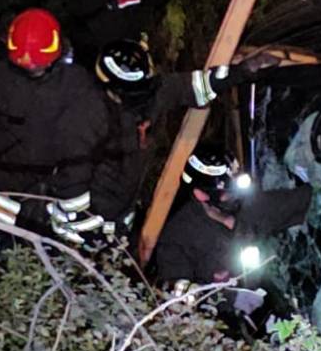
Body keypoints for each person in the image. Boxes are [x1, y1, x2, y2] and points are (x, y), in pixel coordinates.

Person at [45, 38, 280, 250]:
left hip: (117, 220)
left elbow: (193, 86)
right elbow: (71, 182)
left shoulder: (146, 95)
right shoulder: (84, 119)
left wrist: (242, 72)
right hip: (75, 234)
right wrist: (90, 230)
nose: (140, 100)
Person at [0, 8, 109, 244]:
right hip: (9, 191)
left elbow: (86, 141)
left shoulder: (75, 85)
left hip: (47, 193)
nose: (32, 66)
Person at [155, 144, 312, 337]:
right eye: (229, 193)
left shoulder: (251, 208)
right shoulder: (178, 237)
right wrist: (229, 299)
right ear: (201, 195)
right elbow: (176, 294)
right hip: (218, 331)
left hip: (268, 308)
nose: (237, 197)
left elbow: (303, 201)